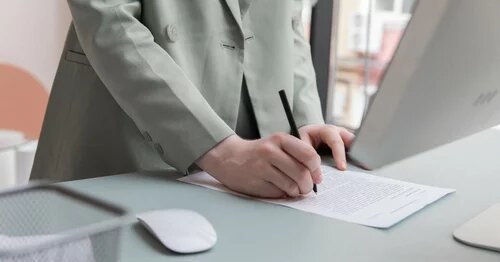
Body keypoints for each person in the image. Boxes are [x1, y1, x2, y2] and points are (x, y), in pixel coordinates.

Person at [32, 0, 354, 198]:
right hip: (128, 146)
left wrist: (303, 119)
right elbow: (110, 22)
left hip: (260, 160)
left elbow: (290, 20)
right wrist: (222, 152)